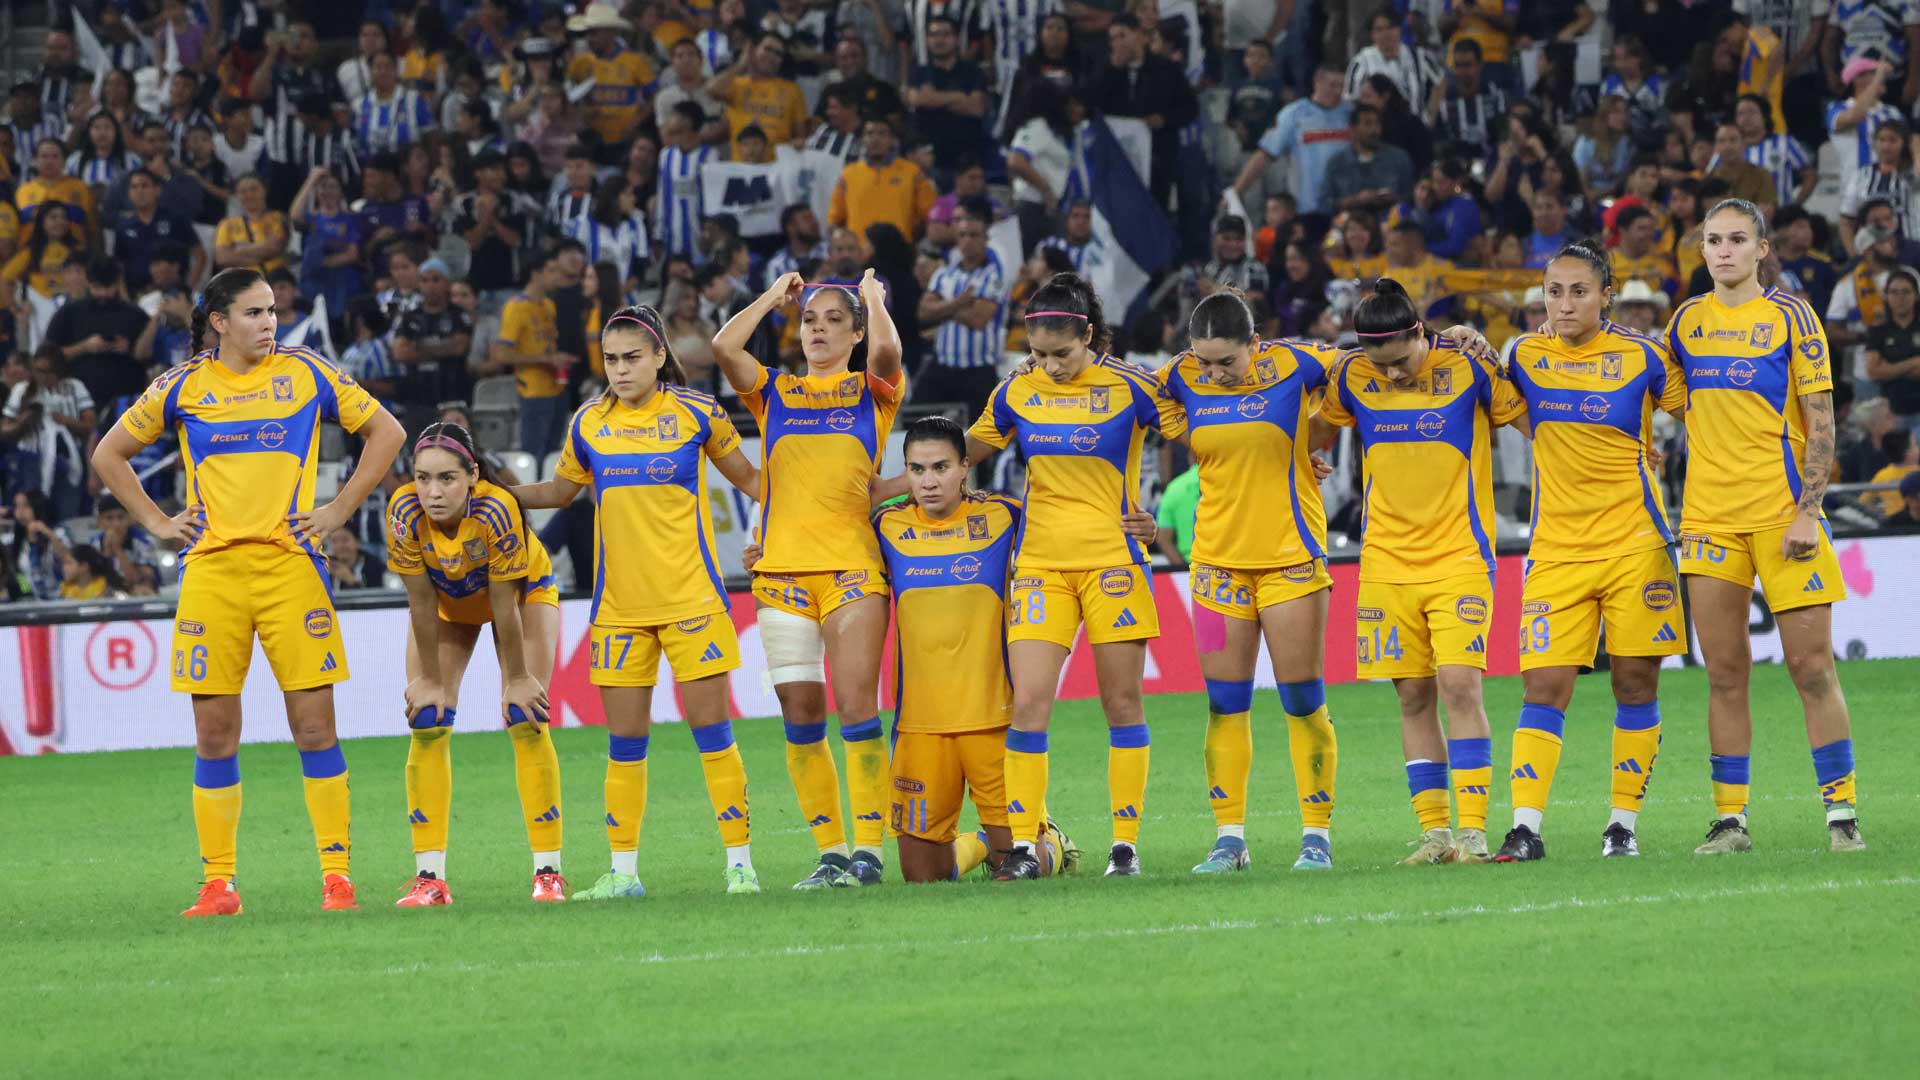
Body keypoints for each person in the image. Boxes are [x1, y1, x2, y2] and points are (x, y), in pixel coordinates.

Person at [91, 267, 406, 917]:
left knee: (314, 728)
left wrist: (338, 510)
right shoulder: (183, 386)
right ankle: (218, 885)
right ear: (219, 322)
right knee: (214, 734)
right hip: (212, 575)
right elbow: (108, 454)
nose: (270, 323)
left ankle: (337, 878)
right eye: (255, 313)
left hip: (292, 569)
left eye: (272, 312)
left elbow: (388, 432)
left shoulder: (306, 372)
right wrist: (158, 522)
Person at [516, 305, 764, 897]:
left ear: (658, 356)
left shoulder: (697, 412)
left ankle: (740, 866)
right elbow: (559, 491)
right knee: (624, 746)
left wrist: (785, 521)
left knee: (714, 736)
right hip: (620, 610)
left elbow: (756, 481)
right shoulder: (588, 422)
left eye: (632, 357)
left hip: (693, 601)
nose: (621, 370)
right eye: (611, 360)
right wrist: (490, 491)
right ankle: (623, 873)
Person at [1665, 198, 1865, 855]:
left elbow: (1821, 418)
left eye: (1736, 239)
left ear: (1761, 249)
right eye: (1713, 240)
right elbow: (1655, 390)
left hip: (1783, 516)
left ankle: (1842, 816)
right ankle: (1731, 822)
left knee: (1811, 669)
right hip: (1708, 519)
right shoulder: (1685, 322)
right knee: (1724, 673)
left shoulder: (1792, 316)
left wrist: (1809, 509)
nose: (1723, 251)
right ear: (1702, 250)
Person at [952, 273, 1164, 880]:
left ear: (1089, 336)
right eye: (1038, 354)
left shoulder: (1133, 386)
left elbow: (1208, 435)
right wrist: (884, 487)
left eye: (1061, 354)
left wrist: (1296, 455)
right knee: (1028, 705)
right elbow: (962, 453)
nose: (1049, 366)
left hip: (1114, 564)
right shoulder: (1017, 390)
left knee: (1122, 703)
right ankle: (1024, 846)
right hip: (1041, 566)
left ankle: (1124, 847)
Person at [1489, 241, 1691, 863]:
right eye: (1554, 292)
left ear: (1607, 295)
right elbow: (1501, 410)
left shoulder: (1645, 356)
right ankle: (1525, 829)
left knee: (1634, 684)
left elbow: (1705, 416)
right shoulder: (1523, 355)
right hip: (1557, 549)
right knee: (1543, 686)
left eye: (1579, 291)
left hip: (1637, 545)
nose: (1565, 304)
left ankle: (1621, 826)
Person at [1316, 279, 1529, 866]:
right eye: (1379, 365)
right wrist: (1308, 453)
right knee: (1412, 695)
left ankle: (1474, 831)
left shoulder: (1468, 366)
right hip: (1385, 562)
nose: (1391, 375)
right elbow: (1318, 426)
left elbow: (1532, 421)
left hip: (1459, 556)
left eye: (1400, 361)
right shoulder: (1351, 374)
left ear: (1420, 334)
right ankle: (1435, 834)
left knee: (1460, 686)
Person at [713, 270, 903, 888]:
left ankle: (869, 851)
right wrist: (773, 297)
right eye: (810, 320)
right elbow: (724, 347)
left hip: (852, 570)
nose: (818, 330)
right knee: (799, 713)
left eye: (833, 320)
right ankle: (831, 853)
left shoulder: (872, 391)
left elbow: (888, 350)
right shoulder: (775, 392)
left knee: (857, 707)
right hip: (781, 574)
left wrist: (872, 299)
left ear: (854, 333)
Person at [1151, 293, 1344, 874]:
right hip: (1215, 567)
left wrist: (1453, 338)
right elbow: (1120, 389)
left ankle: (1316, 837)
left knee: (1302, 700)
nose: (1213, 374)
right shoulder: (1178, 376)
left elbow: (1371, 362)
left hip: (1291, 562)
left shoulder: (1298, 363)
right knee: (1224, 704)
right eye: (1204, 362)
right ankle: (1229, 840)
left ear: (1255, 345)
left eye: (1227, 362)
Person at [857, 416, 1078, 882]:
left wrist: (1138, 527)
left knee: (1020, 869)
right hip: (919, 725)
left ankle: (1052, 843)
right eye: (917, 470)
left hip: (993, 721)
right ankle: (981, 844)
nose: (929, 482)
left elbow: (1074, 532)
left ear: (964, 467)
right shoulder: (885, 525)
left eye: (940, 467)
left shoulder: (1005, 516)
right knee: (923, 878)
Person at [383, 422, 565, 905]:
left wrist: (518, 678)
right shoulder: (403, 512)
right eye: (423, 478)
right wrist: (429, 679)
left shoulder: (497, 509)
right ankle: (430, 880)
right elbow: (420, 601)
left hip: (522, 596)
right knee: (428, 717)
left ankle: (547, 873)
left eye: (446, 478)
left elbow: (504, 604)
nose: (432, 492)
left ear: (472, 476)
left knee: (526, 715)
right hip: (447, 602)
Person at [1235, 65, 1353, 229]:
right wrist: (1237, 191)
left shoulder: (1350, 113)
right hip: (1309, 206)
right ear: (1317, 82)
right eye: (1332, 85)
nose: (1337, 91)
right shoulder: (1294, 114)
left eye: (1341, 86)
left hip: (1346, 205)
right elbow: (1265, 154)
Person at [917, 215, 1009, 425]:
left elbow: (978, 319)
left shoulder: (993, 277)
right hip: (942, 366)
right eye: (962, 235)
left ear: (985, 239)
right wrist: (959, 302)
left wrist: (942, 306)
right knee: (914, 419)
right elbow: (923, 313)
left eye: (974, 235)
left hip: (978, 370)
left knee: (981, 432)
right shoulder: (943, 274)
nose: (968, 241)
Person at [493, 249, 573, 456]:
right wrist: (546, 360)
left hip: (557, 387)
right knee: (533, 453)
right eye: (552, 271)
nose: (558, 276)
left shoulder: (549, 305)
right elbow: (502, 354)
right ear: (536, 274)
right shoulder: (515, 308)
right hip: (533, 390)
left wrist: (558, 359)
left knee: (555, 454)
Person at [1866, 264, 1920, 428]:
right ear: (1886, 296)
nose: (1900, 298)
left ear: (1916, 295)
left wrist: (1889, 369)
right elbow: (1873, 372)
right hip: (1891, 414)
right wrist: (1914, 362)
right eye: (1894, 292)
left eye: (1906, 292)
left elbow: (1881, 370)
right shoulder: (1878, 331)